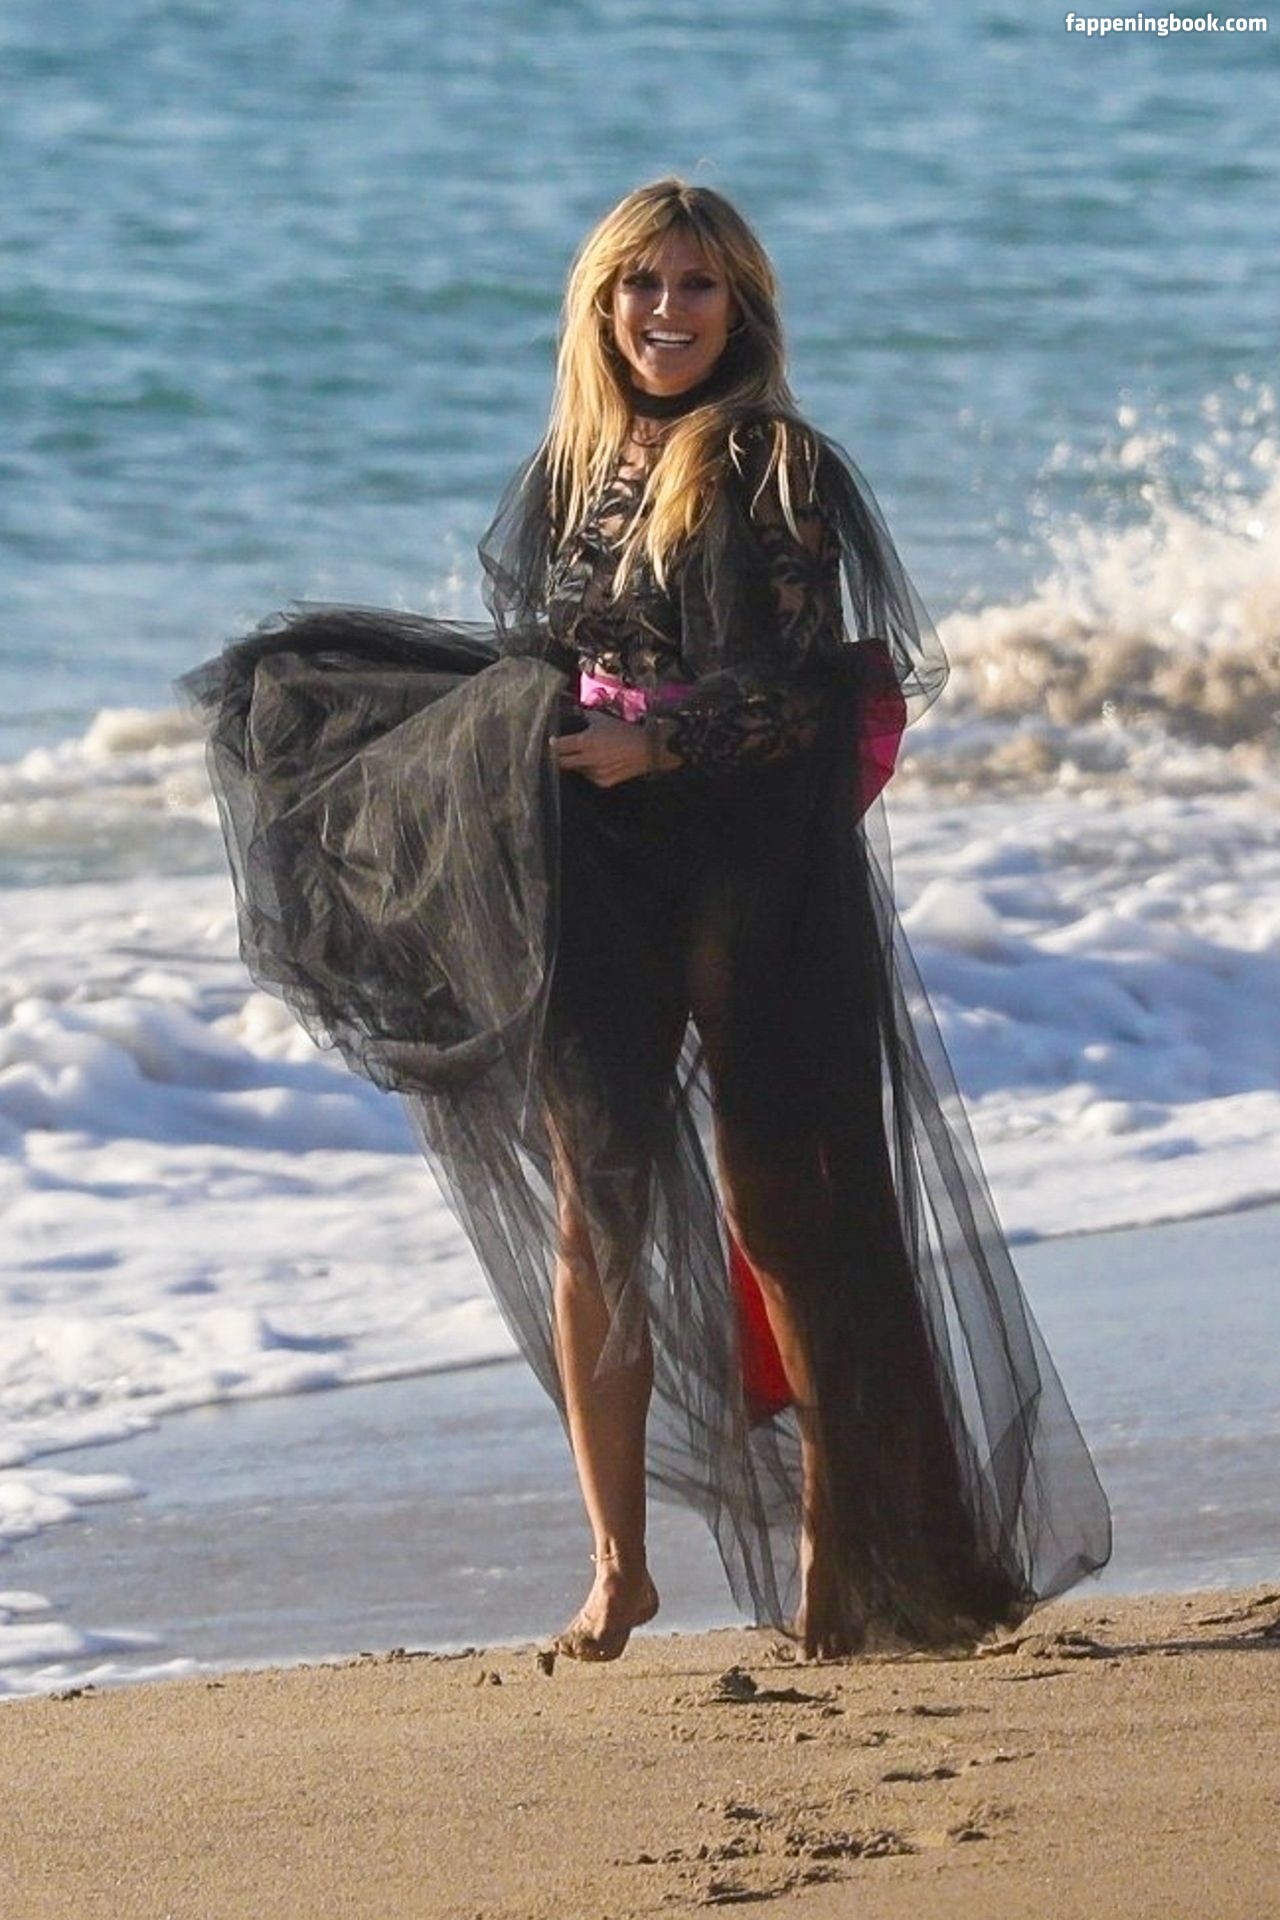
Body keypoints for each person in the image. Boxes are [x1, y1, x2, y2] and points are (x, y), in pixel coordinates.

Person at [177, 177, 1112, 1665]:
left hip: (750, 864)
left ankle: (840, 1553)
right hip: (597, 863)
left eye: (698, 286)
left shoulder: (778, 465)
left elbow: (808, 695)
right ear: (601, 304)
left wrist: (658, 741)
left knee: (780, 1209)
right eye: (642, 286)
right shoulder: (570, 469)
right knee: (591, 1207)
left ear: (743, 308)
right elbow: (555, 652)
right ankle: (618, 1569)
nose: (667, 313)